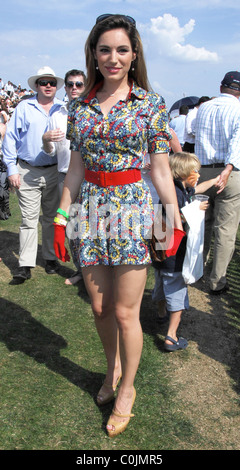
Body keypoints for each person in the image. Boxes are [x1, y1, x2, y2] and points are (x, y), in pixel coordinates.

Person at [53, 14, 184, 437]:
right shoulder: (79, 106)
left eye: (122, 49)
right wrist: (60, 217)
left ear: (134, 54)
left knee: (128, 313)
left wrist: (172, 218)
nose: (113, 57)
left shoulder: (150, 104)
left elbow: (162, 172)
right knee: (99, 308)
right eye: (105, 49)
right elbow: (74, 170)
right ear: (94, 53)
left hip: (131, 210)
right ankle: (111, 371)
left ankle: (127, 388)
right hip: (88, 211)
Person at [152, 152, 220, 350]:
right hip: (174, 254)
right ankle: (171, 336)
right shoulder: (177, 195)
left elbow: (195, 190)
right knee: (177, 290)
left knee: (160, 282)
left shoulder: (175, 188)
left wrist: (214, 181)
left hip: (160, 253)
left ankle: (160, 314)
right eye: (195, 172)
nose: (198, 175)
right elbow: (179, 216)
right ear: (184, 173)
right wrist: (197, 208)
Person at [2, 66, 64, 283]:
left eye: (52, 82)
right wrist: (11, 169)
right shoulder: (24, 107)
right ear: (36, 85)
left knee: (50, 217)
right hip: (27, 170)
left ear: (56, 86)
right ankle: (25, 264)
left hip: (54, 171)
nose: (48, 86)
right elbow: (10, 139)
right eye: (44, 82)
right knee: (29, 219)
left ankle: (49, 258)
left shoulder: (62, 108)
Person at [195, 71, 240, 295]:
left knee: (202, 225)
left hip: (202, 171)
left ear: (221, 87)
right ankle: (216, 282)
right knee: (225, 230)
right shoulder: (238, 109)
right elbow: (237, 143)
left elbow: (194, 134)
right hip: (228, 171)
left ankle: (197, 271)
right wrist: (229, 169)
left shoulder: (204, 107)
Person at [42, 69, 86, 286]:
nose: (74, 88)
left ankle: (96, 272)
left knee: (92, 225)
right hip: (64, 175)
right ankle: (81, 270)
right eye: (70, 85)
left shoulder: (92, 110)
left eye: (79, 84)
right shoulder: (57, 114)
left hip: (90, 177)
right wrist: (45, 139)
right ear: (65, 87)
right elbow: (50, 151)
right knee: (71, 227)